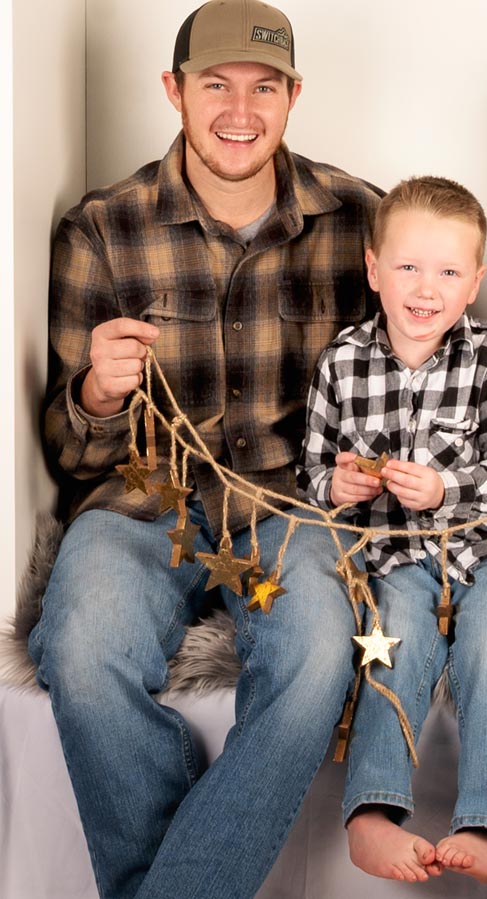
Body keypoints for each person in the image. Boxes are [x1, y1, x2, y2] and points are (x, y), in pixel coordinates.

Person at [29, 2, 383, 897]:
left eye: (264, 88)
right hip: (138, 507)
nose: (240, 110)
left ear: (294, 96)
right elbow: (70, 453)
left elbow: (413, 378)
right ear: (174, 90)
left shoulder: (361, 221)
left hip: (294, 507)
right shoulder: (102, 229)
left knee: (317, 658)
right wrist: (96, 393)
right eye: (216, 84)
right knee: (79, 650)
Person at [300, 176, 487, 885]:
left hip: (484, 554)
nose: (426, 289)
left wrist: (444, 490)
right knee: (394, 646)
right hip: (395, 557)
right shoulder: (342, 361)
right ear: (374, 269)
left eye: (448, 273)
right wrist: (337, 486)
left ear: (476, 282)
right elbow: (312, 472)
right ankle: (372, 810)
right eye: (407, 266)